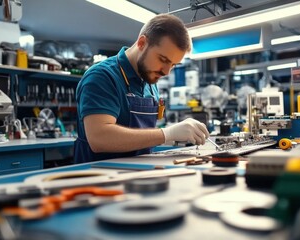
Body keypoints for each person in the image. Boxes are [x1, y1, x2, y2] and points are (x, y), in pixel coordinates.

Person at [74, 14, 209, 163]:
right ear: (142, 43)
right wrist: (167, 133)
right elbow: (99, 138)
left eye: (173, 65)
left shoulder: (150, 80)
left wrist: (178, 135)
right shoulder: (102, 76)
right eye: (163, 60)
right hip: (99, 178)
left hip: (140, 174)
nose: (166, 72)